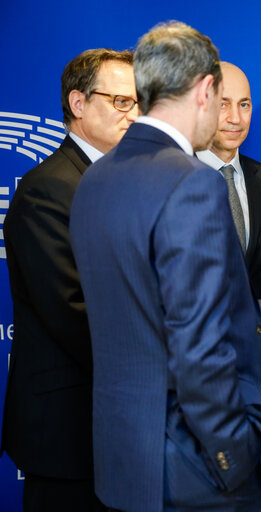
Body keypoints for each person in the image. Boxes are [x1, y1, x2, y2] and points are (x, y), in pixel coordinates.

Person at [68, 22, 261, 512]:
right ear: (204, 89)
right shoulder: (192, 182)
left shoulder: (95, 176)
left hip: (124, 466)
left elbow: (148, 309)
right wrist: (232, 455)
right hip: (195, 472)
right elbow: (197, 343)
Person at [1, 48, 136, 512]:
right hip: (69, 435)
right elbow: (74, 311)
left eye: (138, 102)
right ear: (78, 104)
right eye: (120, 102)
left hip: (120, 428)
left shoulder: (123, 183)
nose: (133, 115)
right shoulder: (48, 190)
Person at [197, 62, 261, 298]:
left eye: (244, 105)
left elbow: (258, 274)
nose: (235, 118)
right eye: (223, 104)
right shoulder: (170, 176)